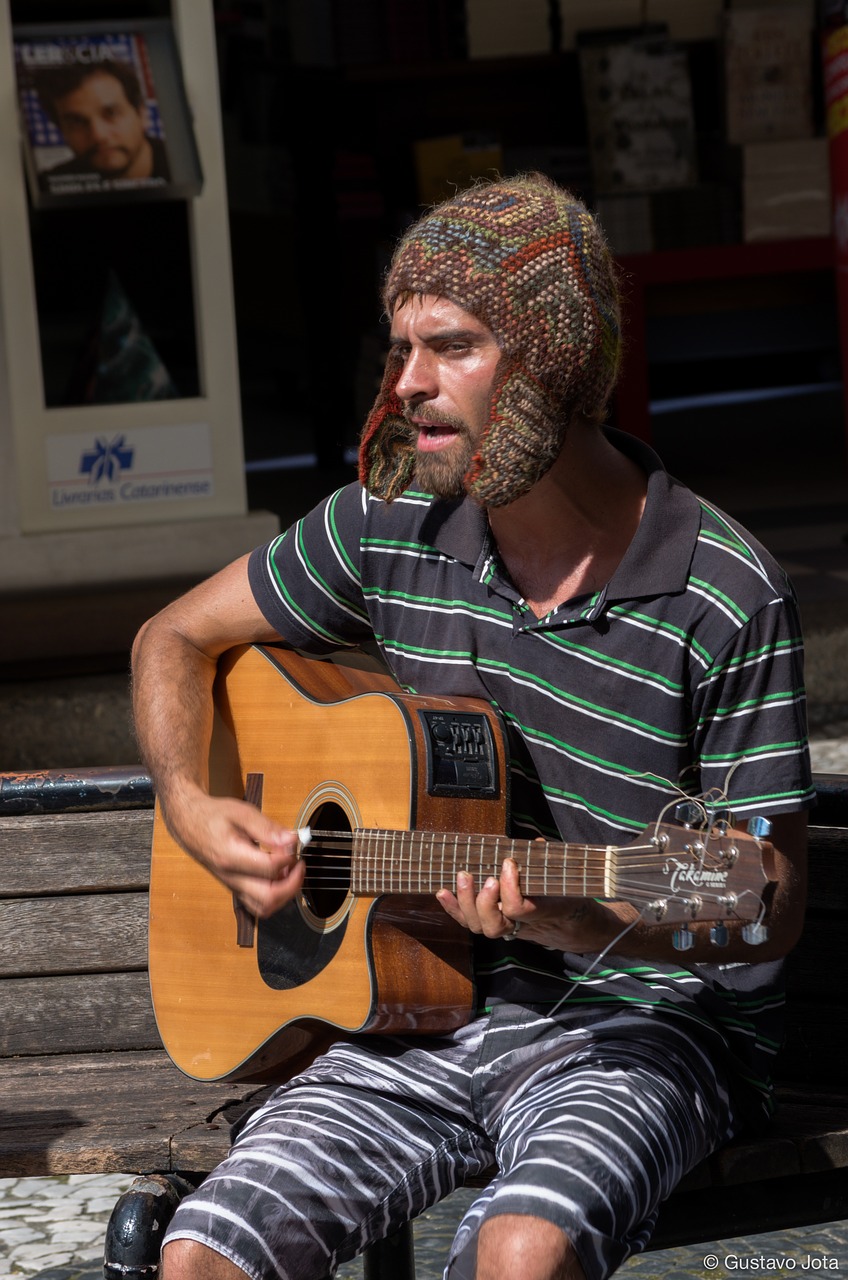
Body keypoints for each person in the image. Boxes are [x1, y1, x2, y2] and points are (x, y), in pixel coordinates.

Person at [131, 173, 812, 1280]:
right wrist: (195, 806)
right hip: (414, 1002)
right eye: (397, 349)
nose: (405, 385)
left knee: (519, 1250)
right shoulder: (395, 520)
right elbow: (170, 638)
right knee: (203, 1252)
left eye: (448, 347)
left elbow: (761, 905)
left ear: (547, 363)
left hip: (641, 1028)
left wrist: (573, 916)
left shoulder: (722, 590)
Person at [34, 58, 170, 187]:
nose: (98, 135)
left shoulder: (182, 168)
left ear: (142, 115)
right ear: (62, 130)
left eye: (111, 114)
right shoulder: (46, 187)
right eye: (77, 122)